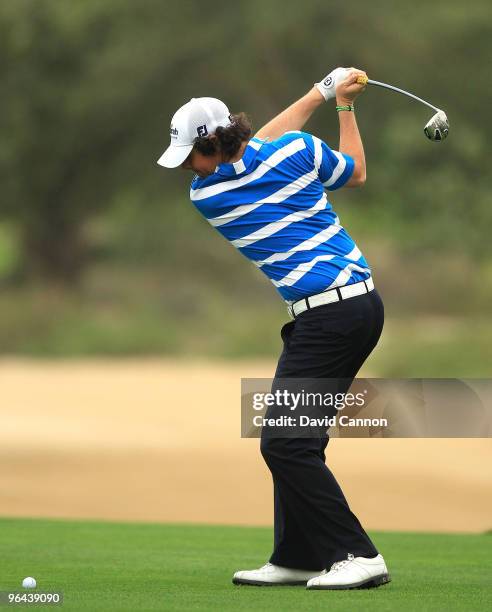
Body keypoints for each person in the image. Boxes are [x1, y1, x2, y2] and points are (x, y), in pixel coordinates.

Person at [157, 67, 390, 590]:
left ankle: (357, 554)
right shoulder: (295, 153)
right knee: (294, 438)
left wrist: (321, 94)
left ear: (213, 145)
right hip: (348, 310)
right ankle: (300, 554)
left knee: (284, 443)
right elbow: (353, 171)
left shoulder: (210, 194)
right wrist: (338, 105)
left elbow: (259, 144)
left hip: (333, 317)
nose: (188, 169)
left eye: (192, 156)